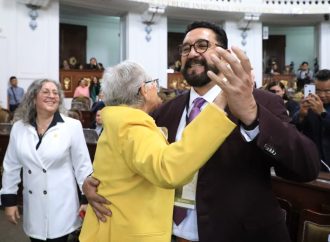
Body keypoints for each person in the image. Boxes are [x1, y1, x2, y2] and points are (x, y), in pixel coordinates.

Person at [83, 21, 320, 242]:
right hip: (168, 234)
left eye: (202, 45)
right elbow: (133, 156)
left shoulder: (259, 102)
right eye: (186, 48)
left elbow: (306, 167)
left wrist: (252, 116)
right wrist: (91, 183)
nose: (192, 53)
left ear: (224, 55)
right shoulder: (164, 111)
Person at [79, 60, 238, 242]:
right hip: (127, 232)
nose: (157, 87)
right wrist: (217, 107)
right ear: (143, 90)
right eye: (153, 82)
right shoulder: (133, 127)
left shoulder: (119, 122)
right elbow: (168, 170)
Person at [0, 79, 93, 242]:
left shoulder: (72, 126)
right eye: (46, 92)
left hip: (62, 207)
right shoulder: (19, 128)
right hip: (34, 207)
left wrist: (86, 199)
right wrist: (9, 201)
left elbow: (83, 166)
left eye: (55, 93)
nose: (52, 96)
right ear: (33, 98)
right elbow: (11, 166)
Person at [292, 69, 330, 172]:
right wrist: (301, 115)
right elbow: (292, 129)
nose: (322, 95)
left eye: (327, 91)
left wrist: (323, 113)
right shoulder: (308, 103)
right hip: (310, 161)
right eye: (318, 90)